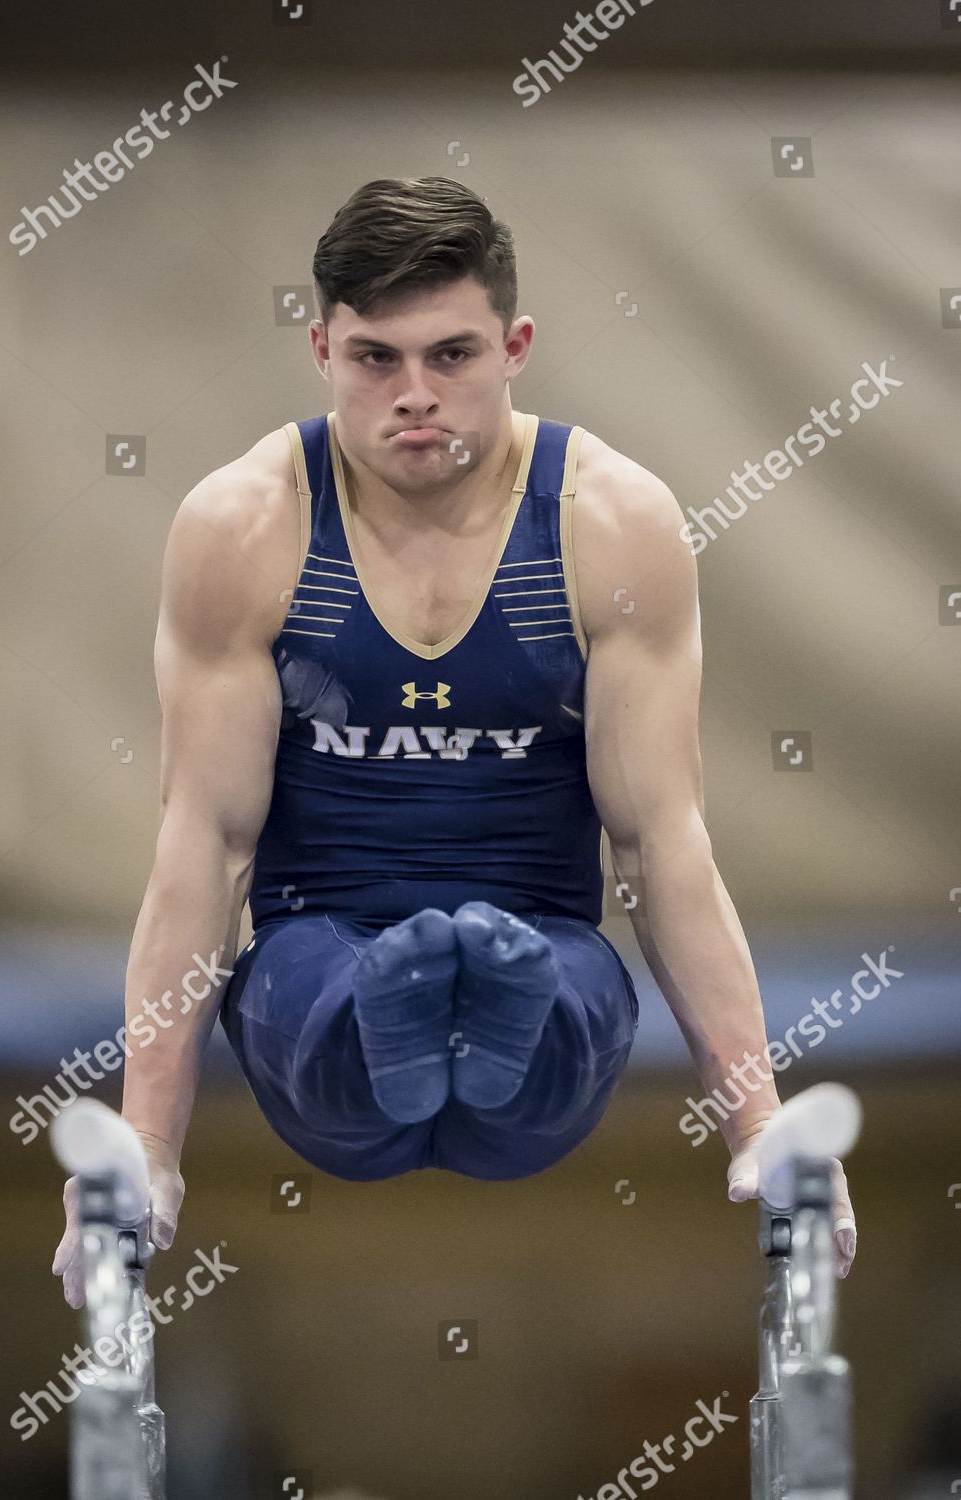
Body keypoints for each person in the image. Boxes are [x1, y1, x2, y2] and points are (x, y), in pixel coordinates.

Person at [54, 176, 856, 1305]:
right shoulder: (244, 525)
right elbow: (205, 849)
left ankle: (477, 1001)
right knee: (334, 994)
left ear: (516, 344)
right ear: (321, 347)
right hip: (317, 946)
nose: (415, 396)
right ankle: (401, 1003)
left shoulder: (611, 523)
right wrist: (148, 1151)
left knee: (553, 987)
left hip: (542, 932)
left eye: (453, 355)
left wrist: (761, 1128)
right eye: (376, 359)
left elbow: (661, 845)